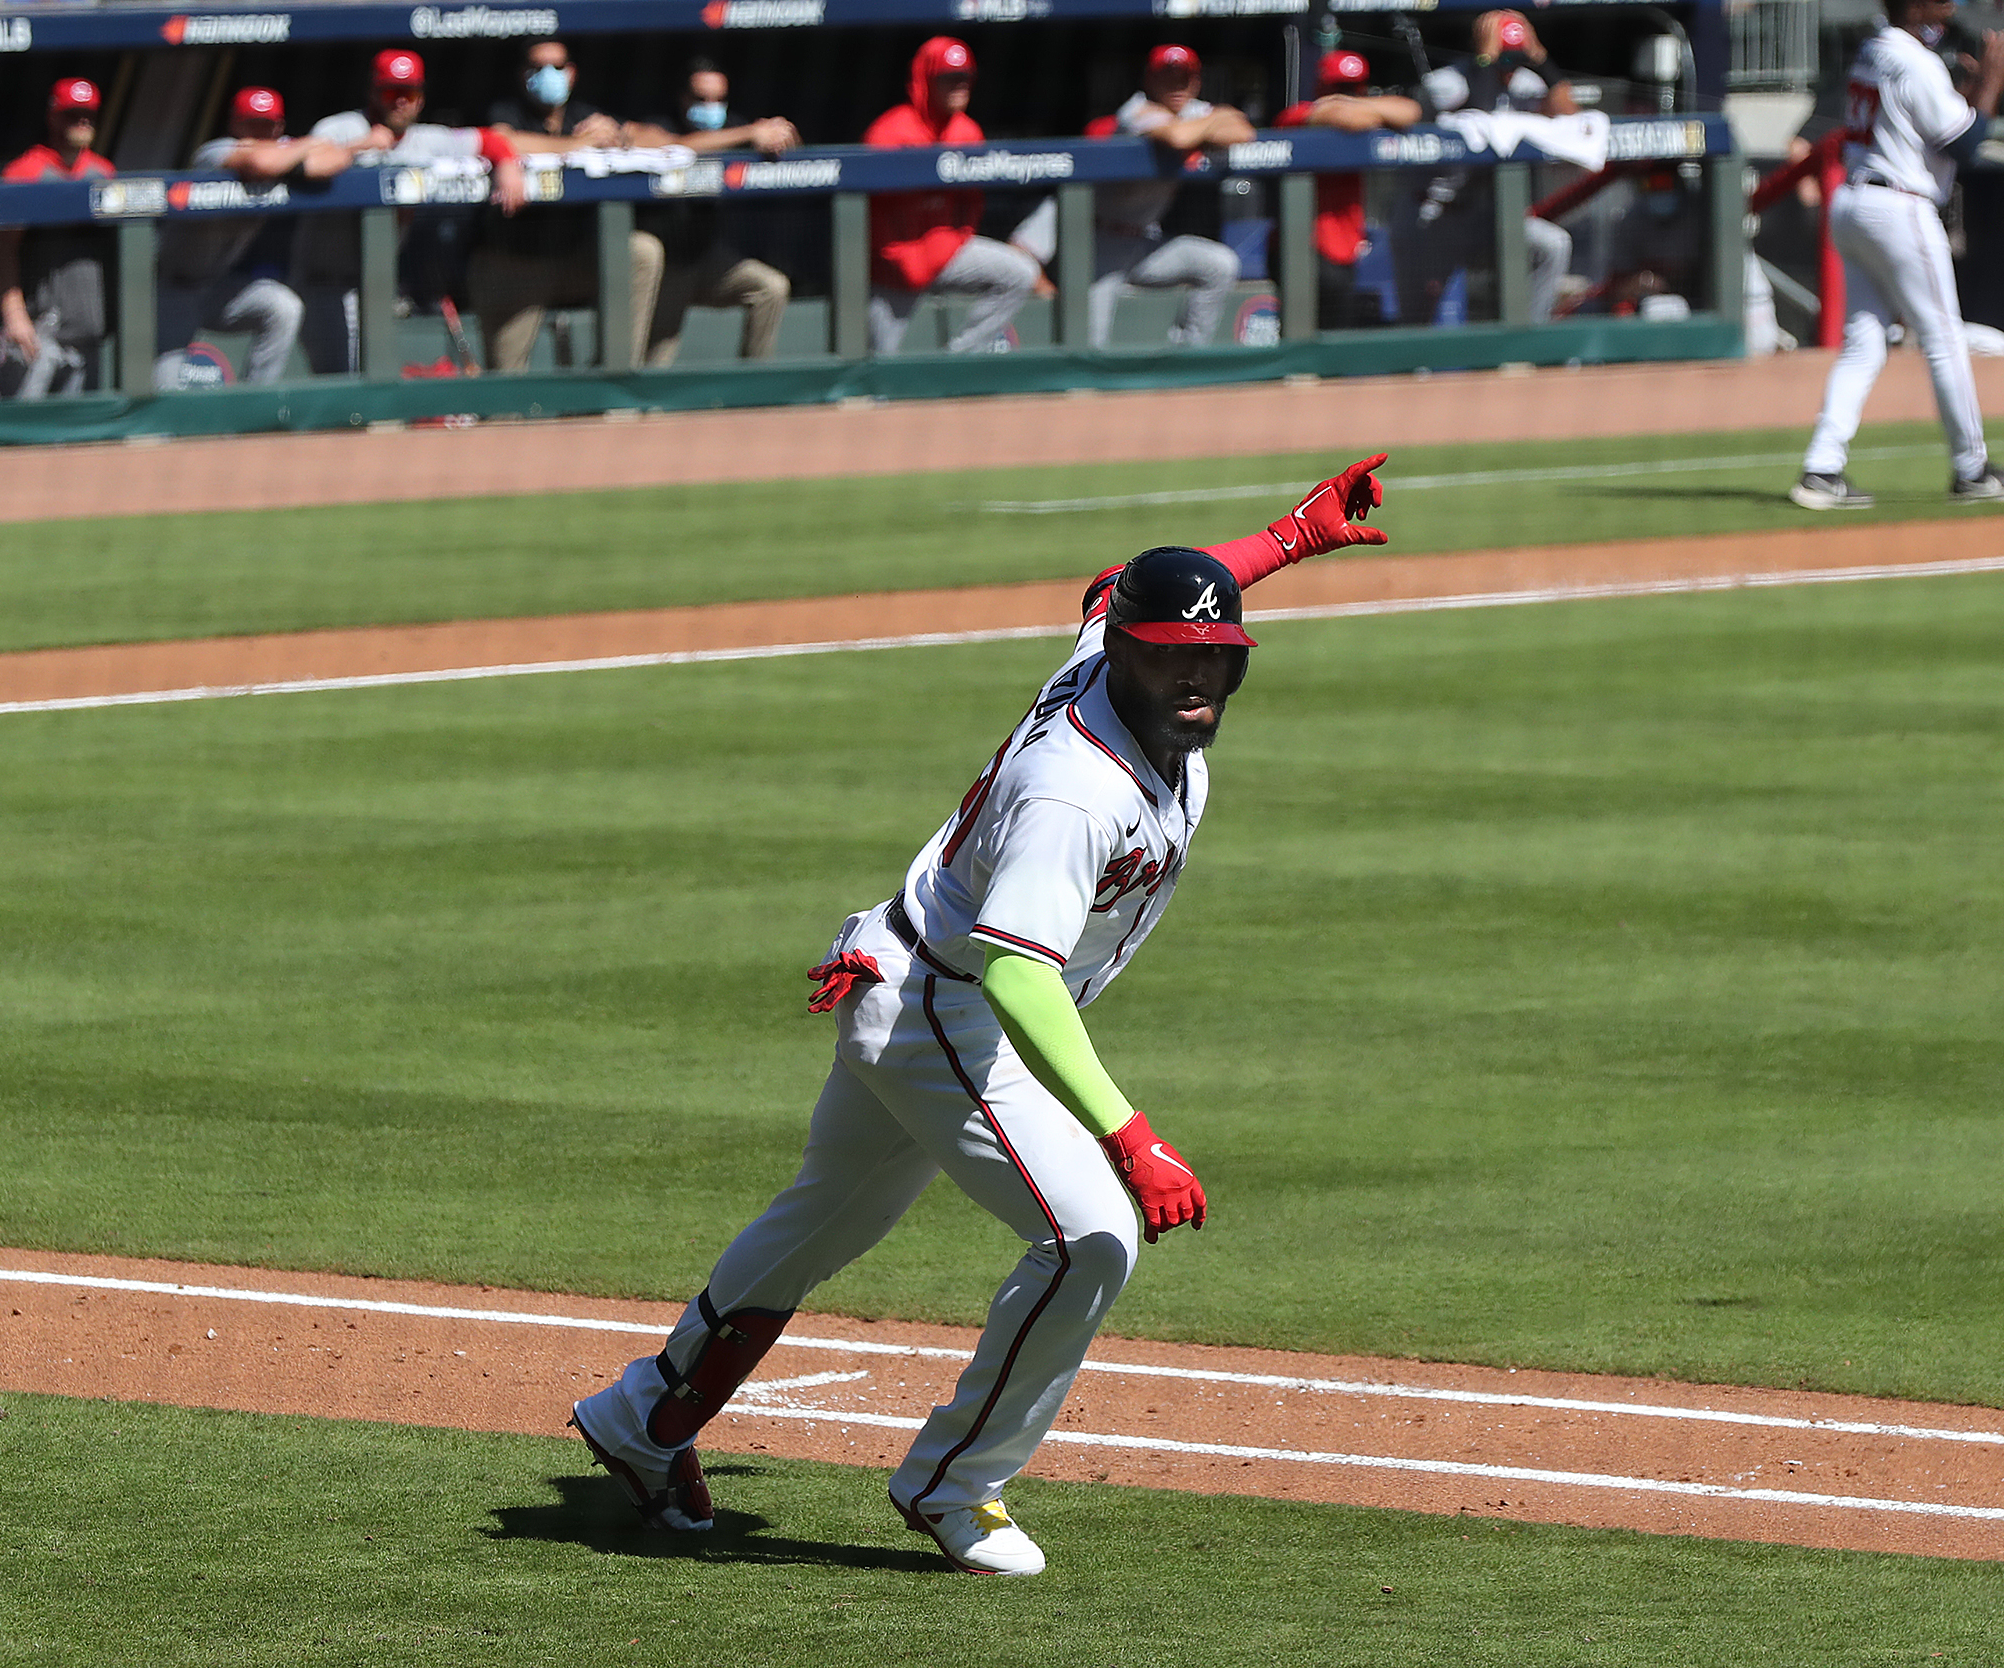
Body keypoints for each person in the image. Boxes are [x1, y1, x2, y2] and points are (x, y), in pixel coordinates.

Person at [566, 459, 1394, 1574]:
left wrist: (1288, 538)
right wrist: (1127, 1132)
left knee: (819, 1225)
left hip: (907, 973)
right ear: (1126, 658)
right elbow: (1015, 974)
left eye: (1217, 656)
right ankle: (955, 1487)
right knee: (1088, 1233)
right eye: (1170, 655)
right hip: (945, 1009)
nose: (1195, 673)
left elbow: (1119, 586)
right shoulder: (1074, 790)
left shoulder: (1113, 657)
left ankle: (643, 1419)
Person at [1793, 0, 2004, 510]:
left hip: (1854, 202)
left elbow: (1927, 119)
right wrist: (1993, 80)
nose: (1949, 6)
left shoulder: (1876, 49)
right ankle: (1973, 469)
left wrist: (1977, 84)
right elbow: (1965, 145)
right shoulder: (1915, 61)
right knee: (1944, 339)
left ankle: (1821, 468)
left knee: (1863, 344)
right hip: (1898, 209)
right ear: (1912, 6)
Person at [292, 48, 526, 375]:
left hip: (372, 285)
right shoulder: (340, 128)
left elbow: (491, 140)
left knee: (370, 380)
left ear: (420, 98)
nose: (400, 100)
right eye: (390, 91)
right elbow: (302, 162)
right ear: (373, 92)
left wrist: (508, 166)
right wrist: (361, 146)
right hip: (321, 280)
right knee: (339, 379)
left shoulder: (426, 138)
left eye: (409, 92)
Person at [474, 39, 662, 371]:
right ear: (523, 74)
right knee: (505, 392)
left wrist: (619, 136)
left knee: (641, 251)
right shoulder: (508, 110)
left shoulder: (583, 115)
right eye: (538, 67)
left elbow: (656, 137)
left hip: (576, 259)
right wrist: (575, 145)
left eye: (557, 67)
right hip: (516, 263)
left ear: (572, 73)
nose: (550, 75)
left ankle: (612, 377)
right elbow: (501, 139)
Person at [864, 37, 1042, 355]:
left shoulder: (967, 131)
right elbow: (868, 210)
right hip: (895, 265)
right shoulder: (889, 131)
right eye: (949, 78)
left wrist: (953, 240)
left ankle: (958, 359)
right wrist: (898, 258)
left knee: (1020, 273)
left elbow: (971, 203)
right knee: (878, 370)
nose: (960, 86)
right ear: (926, 81)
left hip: (946, 253)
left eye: (965, 78)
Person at [154, 86, 337, 389]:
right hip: (169, 290)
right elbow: (260, 163)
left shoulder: (284, 150)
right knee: (166, 400)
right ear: (235, 125)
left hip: (216, 288)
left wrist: (309, 147)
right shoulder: (214, 152)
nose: (261, 132)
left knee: (283, 307)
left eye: (268, 125)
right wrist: (307, 147)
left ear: (279, 127)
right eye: (251, 124)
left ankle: (253, 404)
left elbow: (336, 155)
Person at [623, 62, 796, 367]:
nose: (711, 108)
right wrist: (750, 132)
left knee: (771, 288)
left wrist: (781, 136)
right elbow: (671, 146)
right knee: (654, 366)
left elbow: (789, 151)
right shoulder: (658, 124)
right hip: (663, 265)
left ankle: (754, 391)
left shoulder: (735, 127)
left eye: (718, 100)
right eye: (701, 99)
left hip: (704, 258)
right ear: (683, 98)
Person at [1414, 10, 1576, 324]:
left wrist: (1542, 61)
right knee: (1419, 318)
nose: (1510, 69)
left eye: (1516, 60)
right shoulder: (1450, 80)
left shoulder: (1525, 81)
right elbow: (1440, 104)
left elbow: (1569, 116)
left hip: (1491, 217)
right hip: (1435, 218)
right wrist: (1483, 63)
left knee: (1554, 245)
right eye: (1504, 59)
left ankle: (1528, 337)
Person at [1086, 45, 1246, 348]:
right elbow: (1177, 136)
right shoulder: (1134, 111)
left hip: (1144, 243)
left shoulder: (1192, 112)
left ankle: (1188, 356)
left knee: (1220, 264)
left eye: (1183, 78)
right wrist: (1211, 123)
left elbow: (1242, 131)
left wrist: (1208, 120)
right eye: (1167, 77)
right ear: (1149, 80)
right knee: (1090, 348)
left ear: (1196, 82)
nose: (1176, 86)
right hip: (1099, 243)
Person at [1276, 49, 1422, 329]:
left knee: (1336, 334)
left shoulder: (1363, 109)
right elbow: (1346, 117)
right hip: (1303, 247)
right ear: (1321, 86)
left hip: (1344, 246)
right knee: (1303, 334)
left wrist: (1359, 105)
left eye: (1354, 87)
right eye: (1339, 87)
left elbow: (1410, 110)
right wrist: (1363, 109)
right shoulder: (1296, 115)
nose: (1348, 94)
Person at [0, 77, 115, 399]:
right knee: (20, 430)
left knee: (77, 441)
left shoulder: (103, 172)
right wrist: (14, 315)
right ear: (53, 116)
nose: (83, 121)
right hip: (38, 330)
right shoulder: (26, 171)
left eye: (88, 114)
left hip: (87, 334)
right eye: (73, 114)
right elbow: (4, 247)